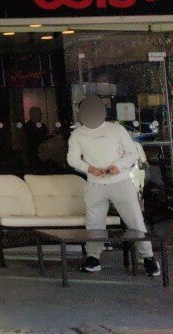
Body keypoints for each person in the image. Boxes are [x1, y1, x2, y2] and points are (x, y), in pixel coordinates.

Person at [67, 96, 161, 276]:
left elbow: (132, 153)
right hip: (95, 184)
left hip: (120, 182)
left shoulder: (116, 129)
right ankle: (93, 257)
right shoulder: (77, 134)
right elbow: (72, 159)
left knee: (134, 220)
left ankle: (148, 257)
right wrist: (90, 169)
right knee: (94, 223)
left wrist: (118, 166)